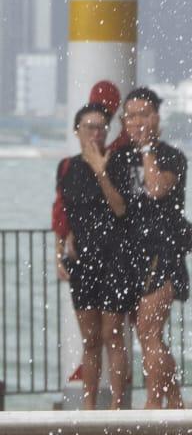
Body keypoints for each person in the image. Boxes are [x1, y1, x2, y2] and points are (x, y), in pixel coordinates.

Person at [107, 86, 190, 409]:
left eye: (143, 114)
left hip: (162, 251)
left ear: (156, 117)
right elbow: (116, 207)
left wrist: (146, 149)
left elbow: (156, 189)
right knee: (147, 334)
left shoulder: (171, 156)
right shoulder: (119, 158)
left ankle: (154, 405)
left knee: (149, 330)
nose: (136, 121)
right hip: (130, 253)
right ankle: (177, 401)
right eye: (130, 116)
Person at [55, 102, 135, 410]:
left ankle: (117, 405)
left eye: (101, 127)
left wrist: (101, 171)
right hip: (82, 262)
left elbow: (120, 209)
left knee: (112, 335)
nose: (95, 132)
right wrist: (59, 252)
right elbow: (64, 214)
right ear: (77, 131)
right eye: (89, 126)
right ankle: (88, 406)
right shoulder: (67, 167)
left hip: (115, 258)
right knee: (89, 340)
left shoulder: (119, 163)